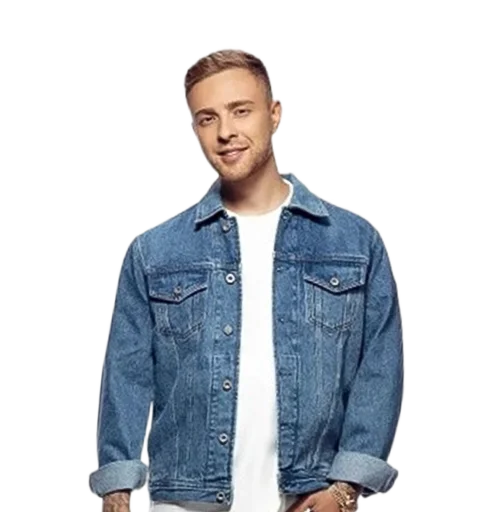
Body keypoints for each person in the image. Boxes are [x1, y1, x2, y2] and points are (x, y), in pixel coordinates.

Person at [88, 48, 405, 512]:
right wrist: (116, 489)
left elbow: (379, 368)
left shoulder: (353, 242)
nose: (225, 132)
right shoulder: (155, 253)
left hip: (307, 497)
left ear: (274, 115)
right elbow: (126, 377)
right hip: (187, 501)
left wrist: (345, 488)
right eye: (207, 118)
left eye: (241, 111)